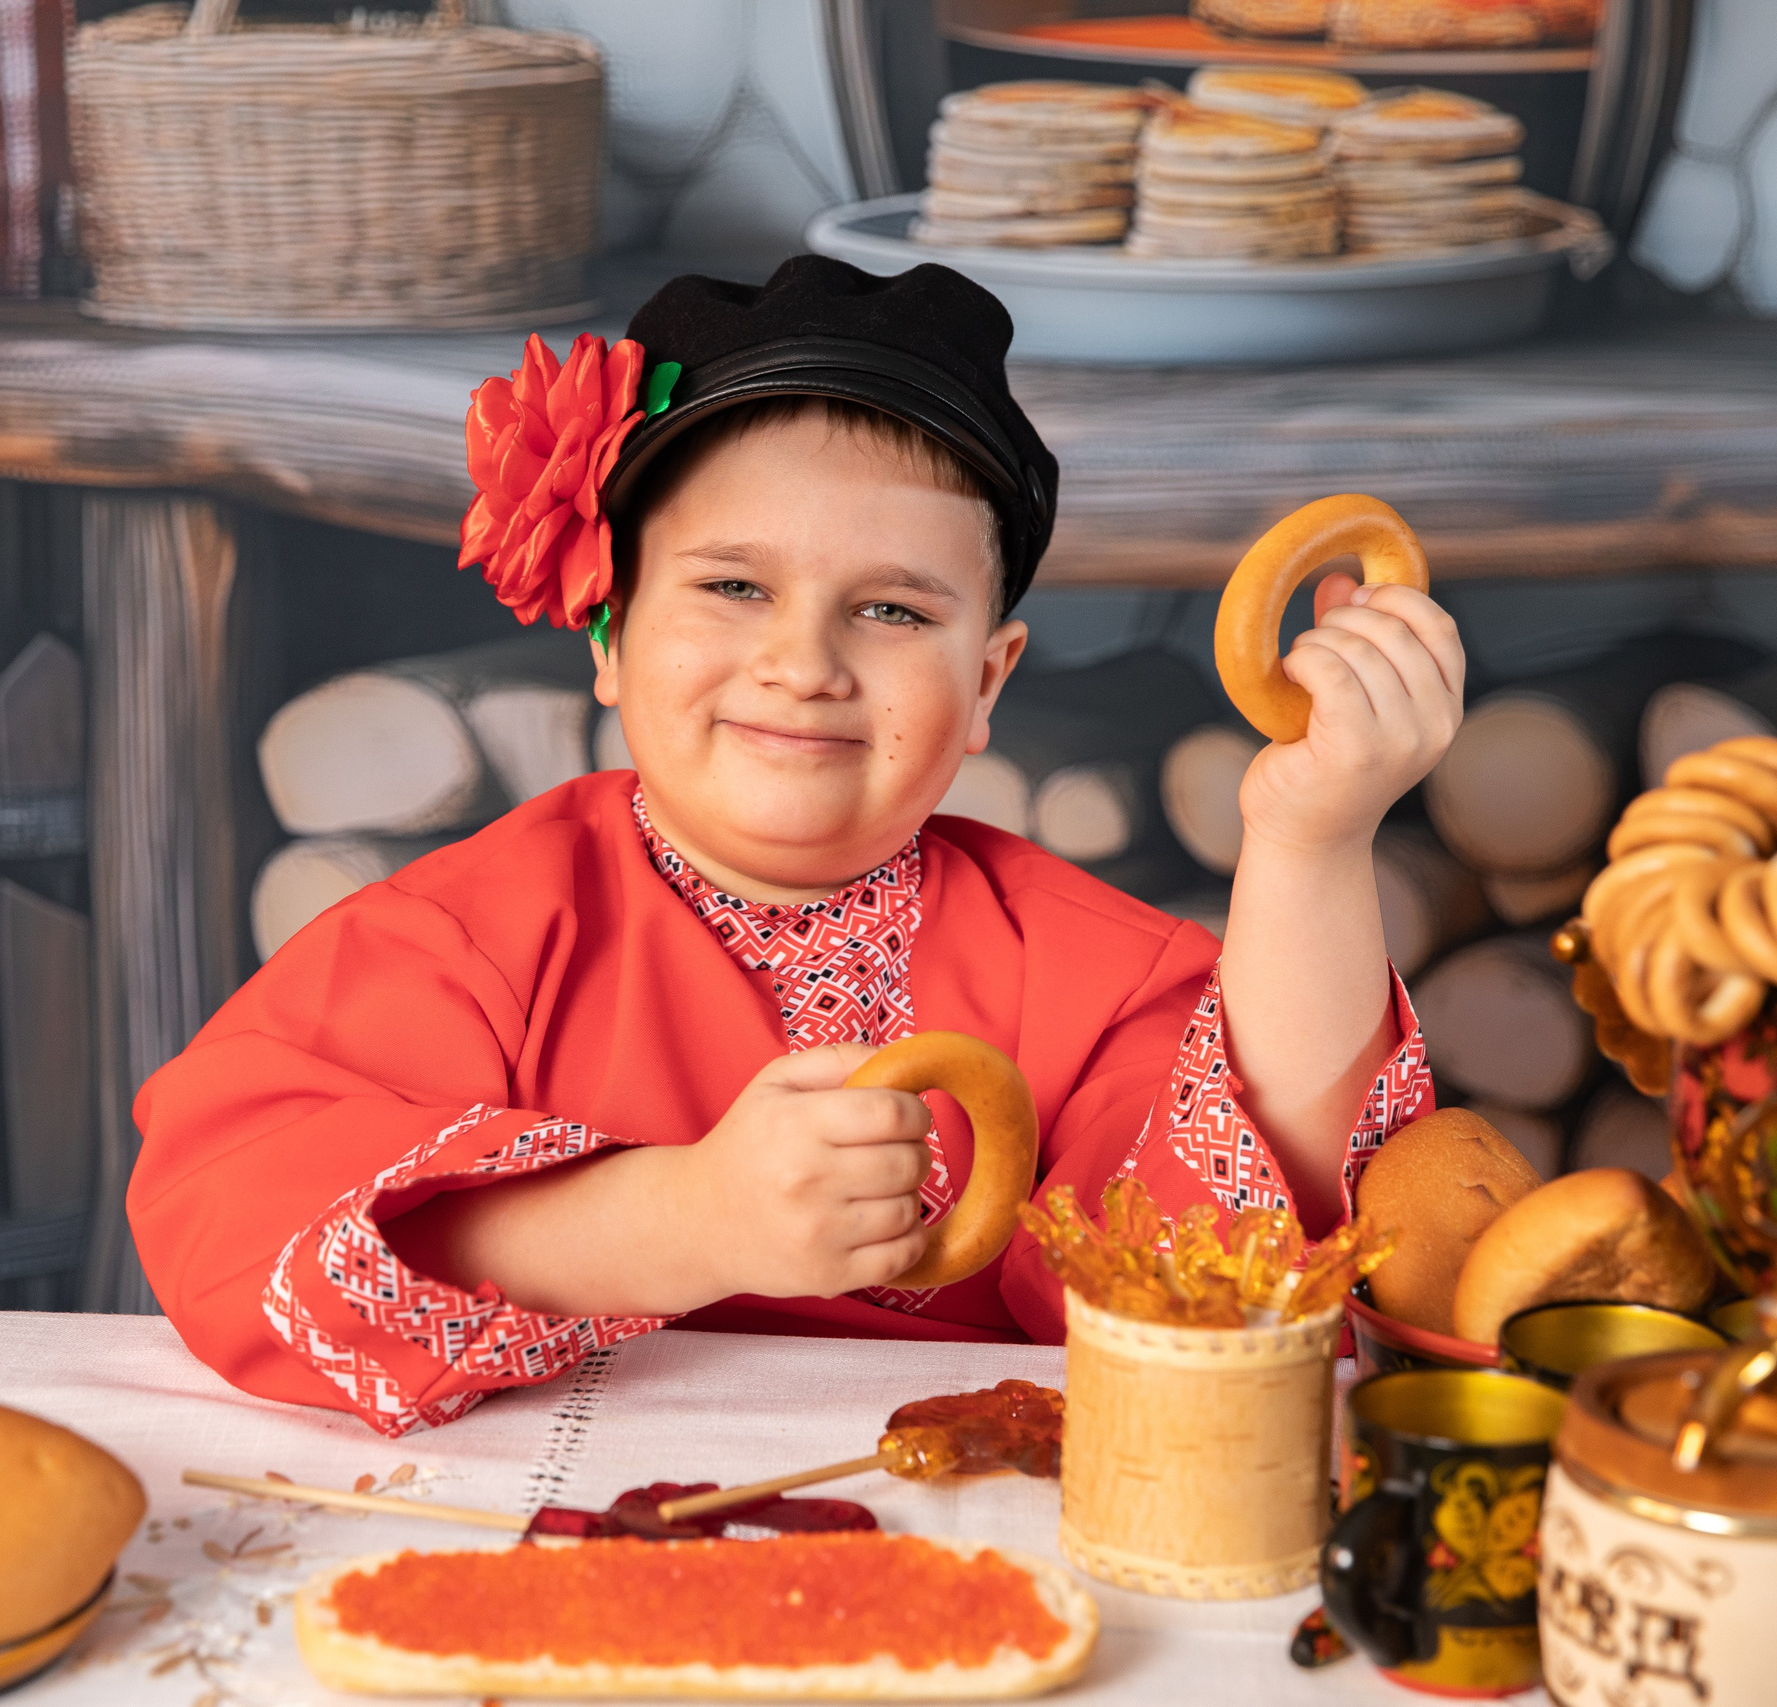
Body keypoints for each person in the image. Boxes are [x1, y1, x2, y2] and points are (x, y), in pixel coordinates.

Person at [129, 257, 1462, 1437]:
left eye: (892, 611)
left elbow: (1217, 1281)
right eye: (733, 586)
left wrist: (1312, 839)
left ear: (987, 683)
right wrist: (677, 1221)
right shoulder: (462, 941)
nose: (803, 661)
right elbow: (225, 1216)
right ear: (610, 633)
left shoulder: (1101, 978)